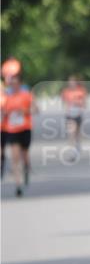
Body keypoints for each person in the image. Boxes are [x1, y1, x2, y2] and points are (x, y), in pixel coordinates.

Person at [1, 66, 38, 196]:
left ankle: (27, 169)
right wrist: (5, 113)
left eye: (16, 84)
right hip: (12, 130)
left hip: (25, 128)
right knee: (15, 158)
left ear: (20, 84)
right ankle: (18, 185)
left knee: (25, 155)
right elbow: (3, 111)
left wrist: (25, 111)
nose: (14, 86)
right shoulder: (6, 97)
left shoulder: (27, 95)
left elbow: (36, 110)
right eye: (12, 84)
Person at [60, 75, 88, 156]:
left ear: (76, 82)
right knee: (71, 132)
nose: (71, 83)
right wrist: (67, 109)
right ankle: (72, 150)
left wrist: (78, 104)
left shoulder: (81, 90)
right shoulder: (66, 91)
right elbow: (64, 102)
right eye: (70, 82)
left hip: (78, 114)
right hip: (70, 115)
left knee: (78, 132)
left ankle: (78, 145)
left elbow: (85, 103)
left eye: (73, 82)